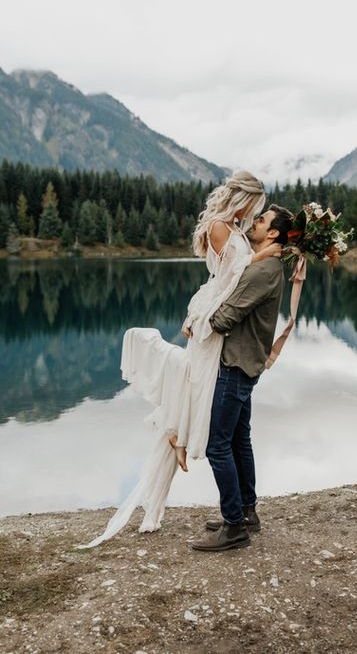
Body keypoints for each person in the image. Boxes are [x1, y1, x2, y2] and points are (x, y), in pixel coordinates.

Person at [78, 171, 281, 548]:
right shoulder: (221, 227)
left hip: (224, 337)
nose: (256, 215)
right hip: (212, 327)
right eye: (256, 207)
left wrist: (265, 253)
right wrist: (266, 253)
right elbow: (232, 279)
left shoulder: (234, 230)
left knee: (226, 431)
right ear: (244, 199)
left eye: (261, 214)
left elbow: (242, 272)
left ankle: (236, 516)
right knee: (209, 407)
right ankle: (231, 506)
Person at [192, 204, 293, 552]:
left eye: (262, 220)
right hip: (246, 363)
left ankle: (234, 526)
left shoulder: (263, 270)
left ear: (274, 234)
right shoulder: (268, 265)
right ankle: (246, 512)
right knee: (238, 440)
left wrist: (198, 318)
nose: (255, 222)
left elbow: (224, 318)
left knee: (217, 444)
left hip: (235, 365)